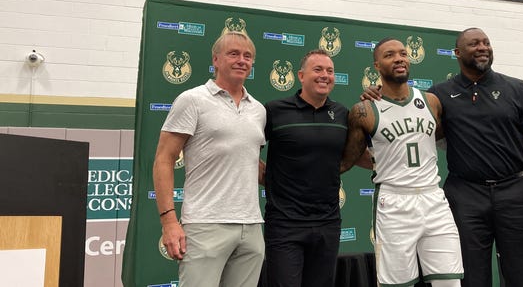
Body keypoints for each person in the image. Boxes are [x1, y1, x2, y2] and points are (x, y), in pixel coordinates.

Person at [363, 28, 523, 287]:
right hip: (465, 196)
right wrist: (376, 94)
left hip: (515, 193)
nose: (482, 47)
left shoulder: (517, 89)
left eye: (486, 43)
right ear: (456, 53)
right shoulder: (437, 96)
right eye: (474, 44)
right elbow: (406, 121)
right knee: (469, 280)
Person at [342, 38, 464, 287]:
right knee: (398, 284)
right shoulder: (364, 111)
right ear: (377, 65)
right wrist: (381, 162)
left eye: (403, 53)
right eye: (389, 55)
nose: (398, 58)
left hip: (434, 198)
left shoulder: (431, 102)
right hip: (394, 202)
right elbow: (348, 160)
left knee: (450, 283)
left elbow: (435, 138)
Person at [153, 31, 266, 287]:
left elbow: (251, 163)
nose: (241, 60)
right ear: (216, 60)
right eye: (233, 53)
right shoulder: (192, 100)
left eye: (247, 56)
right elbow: (164, 159)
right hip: (204, 225)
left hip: (251, 227)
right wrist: (169, 221)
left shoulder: (258, 110)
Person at [263, 49, 369, 287]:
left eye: (330, 71)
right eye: (318, 69)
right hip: (284, 224)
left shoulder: (343, 114)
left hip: (327, 223)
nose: (325, 75)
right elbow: (246, 149)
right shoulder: (275, 110)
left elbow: (358, 154)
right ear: (301, 75)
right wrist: (266, 177)